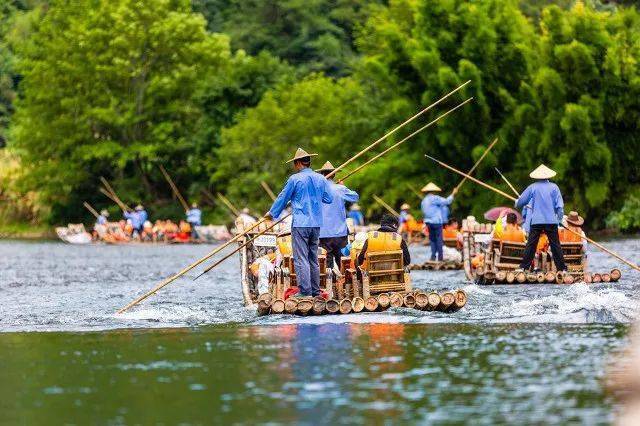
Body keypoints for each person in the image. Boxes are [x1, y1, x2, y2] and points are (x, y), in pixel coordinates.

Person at [267, 147, 333, 298]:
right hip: (316, 224)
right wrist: (315, 196)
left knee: (301, 258)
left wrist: (272, 213)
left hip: (301, 224)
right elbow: (328, 199)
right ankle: (315, 292)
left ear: (298, 163)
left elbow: (283, 198)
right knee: (313, 258)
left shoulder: (294, 179)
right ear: (309, 162)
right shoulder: (321, 179)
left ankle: (305, 292)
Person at [515, 164, 567, 272]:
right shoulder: (554, 187)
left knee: (531, 244)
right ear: (548, 176)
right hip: (551, 221)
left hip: (537, 221)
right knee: (555, 245)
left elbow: (521, 201)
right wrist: (559, 220)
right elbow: (560, 207)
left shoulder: (533, 187)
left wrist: (516, 203)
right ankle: (562, 268)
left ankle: (523, 267)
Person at [316, 161, 359, 270]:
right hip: (340, 234)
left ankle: (330, 284)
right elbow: (355, 197)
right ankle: (345, 285)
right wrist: (343, 187)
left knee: (327, 266)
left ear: (322, 174)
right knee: (343, 263)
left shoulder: (316, 190)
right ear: (334, 174)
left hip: (323, 234)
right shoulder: (340, 189)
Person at [421, 182, 457, 262]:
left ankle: (433, 257)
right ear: (434, 191)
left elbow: (425, 211)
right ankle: (440, 258)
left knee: (432, 240)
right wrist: (453, 194)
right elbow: (447, 201)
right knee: (439, 239)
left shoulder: (423, 201)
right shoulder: (435, 198)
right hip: (436, 222)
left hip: (428, 222)